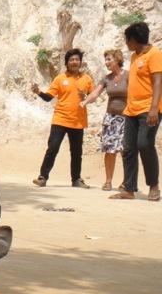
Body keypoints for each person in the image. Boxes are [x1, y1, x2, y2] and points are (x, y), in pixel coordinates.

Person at [110, 22, 161, 202]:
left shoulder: (155, 54)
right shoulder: (134, 56)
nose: (126, 43)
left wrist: (154, 107)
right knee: (129, 148)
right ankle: (129, 188)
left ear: (133, 39)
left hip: (149, 109)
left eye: (127, 39)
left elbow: (157, 82)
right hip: (131, 109)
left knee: (144, 144)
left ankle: (154, 186)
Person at [31, 48, 94, 189]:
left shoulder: (87, 79)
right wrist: (38, 92)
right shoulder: (60, 79)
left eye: (77, 59)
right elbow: (48, 98)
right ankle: (42, 177)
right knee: (52, 148)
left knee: (77, 152)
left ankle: (76, 179)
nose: (74, 62)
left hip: (78, 121)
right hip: (60, 119)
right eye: (71, 60)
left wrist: (86, 97)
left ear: (80, 62)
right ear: (67, 62)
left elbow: (92, 97)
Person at [80, 50, 128, 191]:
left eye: (109, 59)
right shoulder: (106, 78)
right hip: (110, 118)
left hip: (127, 118)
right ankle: (108, 181)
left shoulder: (128, 75)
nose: (106, 62)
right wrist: (85, 102)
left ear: (117, 59)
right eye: (105, 60)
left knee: (126, 150)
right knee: (109, 150)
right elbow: (95, 93)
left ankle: (127, 181)